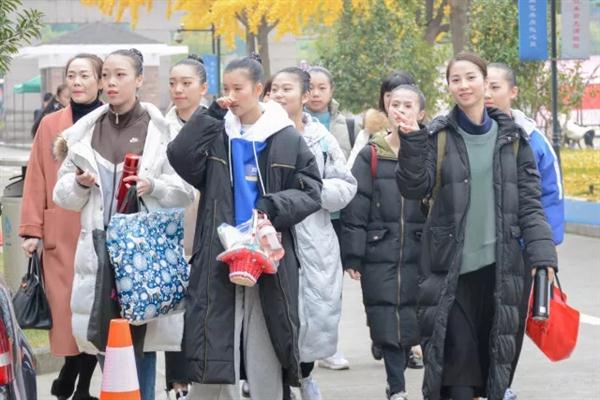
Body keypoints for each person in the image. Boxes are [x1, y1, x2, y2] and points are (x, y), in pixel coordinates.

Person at [395, 52, 558, 400]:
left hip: (501, 273)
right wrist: (411, 142)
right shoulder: (437, 136)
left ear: (485, 83)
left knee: (491, 371)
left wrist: (543, 255)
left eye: (471, 77)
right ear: (449, 86)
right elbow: (414, 188)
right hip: (449, 273)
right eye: (455, 79)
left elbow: (530, 204)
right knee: (457, 373)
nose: (464, 85)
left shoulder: (514, 139)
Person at [166, 54, 322, 400]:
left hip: (268, 256)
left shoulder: (285, 137)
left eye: (238, 89)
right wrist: (210, 115)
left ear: (259, 89)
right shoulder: (218, 132)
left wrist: (273, 206)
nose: (231, 96)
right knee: (213, 341)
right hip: (219, 252)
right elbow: (179, 157)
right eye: (226, 88)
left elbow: (311, 190)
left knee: (265, 344)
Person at [53, 48, 194, 400]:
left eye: (121, 75)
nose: (111, 83)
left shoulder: (160, 131)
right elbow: (63, 196)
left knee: (140, 346)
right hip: (98, 253)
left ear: (139, 79)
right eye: (106, 76)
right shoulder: (85, 133)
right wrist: (79, 184)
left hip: (141, 254)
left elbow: (184, 191)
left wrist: (153, 185)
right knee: (105, 342)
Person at [20, 53, 104, 400]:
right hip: (60, 232)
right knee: (66, 309)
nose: (77, 82)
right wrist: (31, 230)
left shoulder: (111, 121)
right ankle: (71, 370)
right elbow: (36, 176)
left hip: (98, 227)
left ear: (100, 80)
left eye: (85, 75)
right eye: (72, 75)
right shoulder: (51, 124)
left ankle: (79, 384)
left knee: (94, 307)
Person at [270, 67, 357, 400]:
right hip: (270, 236)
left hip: (314, 238)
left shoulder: (321, 139)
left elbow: (346, 184)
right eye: (275, 89)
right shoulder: (257, 135)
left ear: (304, 96)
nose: (279, 95)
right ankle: (277, 384)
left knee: (312, 316)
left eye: (287, 88)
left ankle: (304, 378)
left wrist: (312, 192)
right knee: (276, 315)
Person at [484, 62, 565, 400]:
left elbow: (550, 194)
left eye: (495, 87)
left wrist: (544, 250)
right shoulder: (462, 132)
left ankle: (501, 386)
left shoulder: (532, 139)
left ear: (513, 92)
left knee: (509, 323)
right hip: (475, 245)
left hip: (518, 247)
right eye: (483, 86)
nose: (487, 94)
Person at [341, 84, 427, 400]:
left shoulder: (431, 151)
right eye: (395, 104)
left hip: (421, 250)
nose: (400, 110)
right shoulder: (371, 154)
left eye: (408, 105)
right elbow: (356, 207)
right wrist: (353, 255)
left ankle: (416, 380)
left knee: (417, 317)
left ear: (421, 113)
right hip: (380, 249)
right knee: (386, 319)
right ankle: (397, 387)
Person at [305, 65, 357, 371]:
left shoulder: (345, 124)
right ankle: (307, 344)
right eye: (310, 87)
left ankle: (328, 344)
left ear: (331, 90)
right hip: (307, 215)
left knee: (331, 283)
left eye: (322, 87)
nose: (316, 93)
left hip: (339, 215)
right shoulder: (294, 123)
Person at [163, 54, 209, 400]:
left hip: (209, 221)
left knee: (207, 305)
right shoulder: (159, 125)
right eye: (173, 83)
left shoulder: (220, 123)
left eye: (186, 83)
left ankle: (209, 377)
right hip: (171, 225)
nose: (178, 90)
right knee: (174, 308)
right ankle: (178, 382)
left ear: (203, 87)